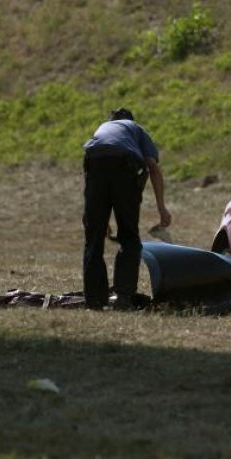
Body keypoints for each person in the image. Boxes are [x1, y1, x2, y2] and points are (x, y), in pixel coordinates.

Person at [82, 108, 171, 309]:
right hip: (124, 168)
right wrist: (162, 208)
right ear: (129, 120)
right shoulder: (135, 128)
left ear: (111, 120)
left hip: (94, 165)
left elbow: (89, 171)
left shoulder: (102, 129)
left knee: (93, 239)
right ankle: (123, 297)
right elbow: (153, 167)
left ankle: (95, 300)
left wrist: (91, 215)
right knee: (129, 236)